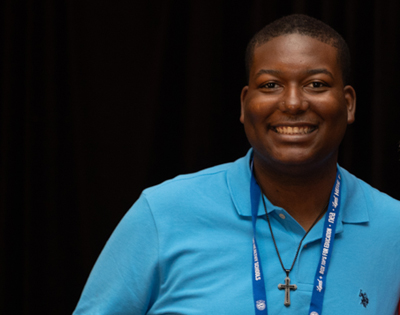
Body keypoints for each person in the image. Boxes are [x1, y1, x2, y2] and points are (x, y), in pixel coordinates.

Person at [73, 14, 400, 314]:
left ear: (348, 104)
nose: (293, 103)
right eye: (271, 85)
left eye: (316, 84)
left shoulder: (393, 228)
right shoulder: (163, 213)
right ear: (245, 105)